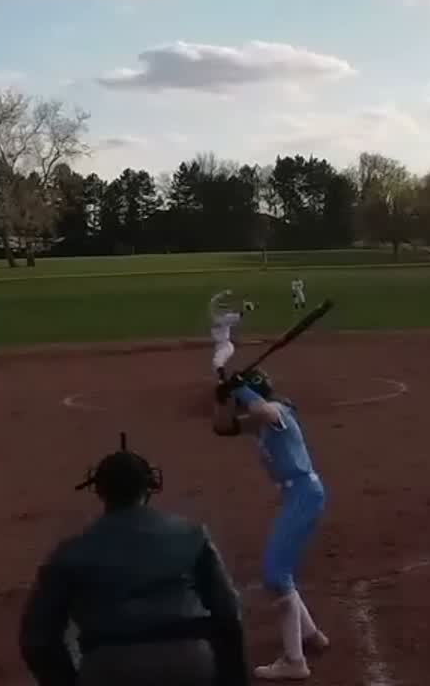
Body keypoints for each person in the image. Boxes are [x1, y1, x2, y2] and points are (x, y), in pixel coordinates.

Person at [19, 435, 250, 686]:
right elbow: (228, 614)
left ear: (99, 490)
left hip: (109, 670)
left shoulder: (68, 552)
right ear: (150, 485)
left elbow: (37, 640)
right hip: (189, 662)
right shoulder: (193, 534)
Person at [214, 370, 330, 681]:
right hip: (299, 496)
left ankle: (295, 661)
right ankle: (311, 636)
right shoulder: (261, 426)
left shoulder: (278, 413)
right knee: (281, 573)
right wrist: (223, 398)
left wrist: (241, 389)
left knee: (276, 575)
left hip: (303, 493)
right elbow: (222, 428)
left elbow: (263, 409)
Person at [209, 290, 250, 383]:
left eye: (221, 308)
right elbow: (213, 301)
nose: (219, 310)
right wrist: (223, 294)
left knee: (217, 361)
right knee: (216, 366)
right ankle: (222, 378)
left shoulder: (227, 318)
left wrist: (245, 309)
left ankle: (224, 380)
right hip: (219, 346)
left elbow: (239, 315)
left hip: (226, 346)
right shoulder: (215, 316)